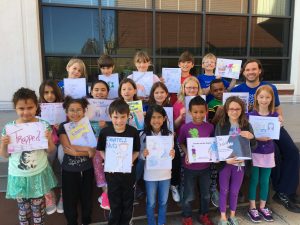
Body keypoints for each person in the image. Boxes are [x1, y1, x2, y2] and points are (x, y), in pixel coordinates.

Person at [231, 59, 300, 213]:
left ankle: (285, 191)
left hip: (272, 126)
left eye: (254, 69)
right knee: (273, 151)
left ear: (259, 71)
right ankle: (280, 192)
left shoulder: (270, 88)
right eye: (247, 69)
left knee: (293, 152)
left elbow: (278, 109)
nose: (251, 72)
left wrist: (280, 119)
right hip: (253, 130)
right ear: (243, 72)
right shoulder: (238, 89)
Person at [0, 87, 57, 225]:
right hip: (18, 175)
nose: (26, 112)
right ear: (15, 108)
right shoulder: (9, 128)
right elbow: (5, 155)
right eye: (21, 108)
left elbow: (51, 150)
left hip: (37, 174)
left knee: (38, 210)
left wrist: (49, 139)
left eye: (30, 107)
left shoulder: (43, 125)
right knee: (23, 210)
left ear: (36, 106)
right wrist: (3, 144)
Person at [97, 98, 140, 225]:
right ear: (110, 116)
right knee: (114, 204)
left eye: (123, 117)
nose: (119, 120)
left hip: (128, 174)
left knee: (127, 204)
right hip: (112, 175)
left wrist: (129, 160)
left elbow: (137, 151)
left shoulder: (133, 132)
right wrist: (108, 160)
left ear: (128, 116)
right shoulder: (105, 132)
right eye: (116, 117)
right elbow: (100, 150)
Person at [215, 96, 257, 225]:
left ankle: (232, 215)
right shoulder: (221, 125)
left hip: (240, 164)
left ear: (242, 110)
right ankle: (223, 217)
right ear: (226, 110)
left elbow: (253, 146)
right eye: (231, 109)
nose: (234, 111)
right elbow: (216, 145)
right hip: (226, 164)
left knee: (235, 191)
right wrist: (224, 160)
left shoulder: (246, 125)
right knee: (224, 190)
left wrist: (252, 137)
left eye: (237, 109)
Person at [58, 96, 95, 225]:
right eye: (71, 110)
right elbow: (67, 149)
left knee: (87, 199)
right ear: (66, 112)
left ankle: (86, 221)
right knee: (70, 200)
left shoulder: (88, 125)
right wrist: (87, 150)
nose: (75, 113)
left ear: (84, 111)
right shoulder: (64, 126)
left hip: (87, 169)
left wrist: (83, 151)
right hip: (69, 170)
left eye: (79, 110)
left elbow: (93, 151)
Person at [178, 96, 214, 225]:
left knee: (205, 194)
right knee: (189, 195)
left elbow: (213, 145)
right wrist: (187, 152)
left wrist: (213, 155)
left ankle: (203, 214)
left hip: (205, 168)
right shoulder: (185, 128)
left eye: (201, 112)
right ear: (189, 112)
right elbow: (180, 143)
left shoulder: (210, 127)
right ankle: (187, 216)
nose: (198, 115)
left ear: (206, 112)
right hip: (190, 167)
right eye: (195, 112)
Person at [247, 85, 279, 223]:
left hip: (268, 152)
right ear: (256, 98)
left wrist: (279, 124)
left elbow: (276, 132)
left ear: (272, 99)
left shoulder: (275, 116)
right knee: (254, 179)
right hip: (255, 152)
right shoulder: (250, 115)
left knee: (265, 180)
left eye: (267, 97)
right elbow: (246, 134)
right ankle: (252, 207)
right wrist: (256, 137)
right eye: (261, 97)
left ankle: (263, 206)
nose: (264, 100)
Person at [141, 105, 175, 225]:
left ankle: (161, 223)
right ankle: (151, 222)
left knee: (163, 201)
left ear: (164, 118)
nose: (156, 120)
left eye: (159, 117)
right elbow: (140, 156)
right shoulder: (144, 135)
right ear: (148, 119)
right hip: (150, 175)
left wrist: (173, 153)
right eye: (153, 117)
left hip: (165, 174)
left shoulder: (170, 134)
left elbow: (171, 155)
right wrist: (143, 154)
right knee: (151, 202)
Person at [148, 82, 181, 203]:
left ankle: (174, 185)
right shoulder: (147, 107)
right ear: (152, 94)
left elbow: (174, 125)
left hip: (168, 138)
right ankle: (151, 188)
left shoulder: (171, 107)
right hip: (152, 138)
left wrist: (173, 131)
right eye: (156, 92)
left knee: (176, 157)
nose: (159, 95)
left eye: (162, 92)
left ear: (167, 94)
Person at [39, 80, 64, 214]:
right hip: (47, 143)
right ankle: (49, 195)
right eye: (46, 92)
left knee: (63, 157)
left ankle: (64, 194)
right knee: (46, 160)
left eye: (52, 92)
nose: (49, 95)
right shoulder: (37, 109)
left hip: (62, 141)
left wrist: (61, 127)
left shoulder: (63, 107)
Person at [89, 80, 111, 210]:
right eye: (96, 89)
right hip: (93, 141)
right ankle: (105, 192)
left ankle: (107, 193)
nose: (99, 92)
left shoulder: (112, 106)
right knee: (97, 165)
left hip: (109, 141)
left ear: (107, 92)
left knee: (109, 165)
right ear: (91, 92)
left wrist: (106, 126)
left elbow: (118, 124)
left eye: (103, 90)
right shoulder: (86, 106)